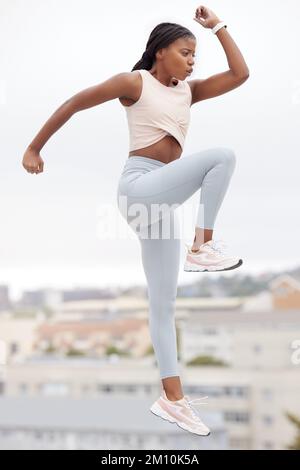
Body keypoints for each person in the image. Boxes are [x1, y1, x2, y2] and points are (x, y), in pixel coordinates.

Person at [22, 5, 249, 437]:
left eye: (194, 56)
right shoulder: (135, 82)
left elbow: (240, 75)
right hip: (140, 187)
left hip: (161, 205)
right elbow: (73, 103)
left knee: (163, 305)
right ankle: (201, 246)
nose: (191, 61)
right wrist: (34, 148)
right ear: (160, 51)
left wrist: (218, 27)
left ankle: (173, 399)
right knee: (222, 156)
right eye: (185, 52)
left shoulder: (189, 90)